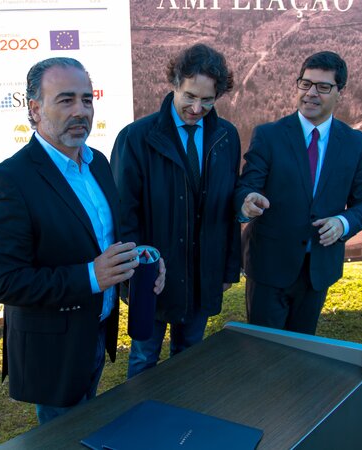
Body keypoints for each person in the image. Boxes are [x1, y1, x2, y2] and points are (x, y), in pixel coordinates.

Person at [0, 57, 165, 424]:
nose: (81, 111)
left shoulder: (98, 163)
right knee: (62, 433)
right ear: (35, 109)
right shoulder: (9, 181)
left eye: (86, 99)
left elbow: (104, 237)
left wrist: (139, 256)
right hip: (53, 349)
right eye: (66, 100)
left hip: (97, 328)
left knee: (88, 421)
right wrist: (92, 276)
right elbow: (2, 281)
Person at [111, 44, 241, 378]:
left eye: (208, 100)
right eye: (190, 96)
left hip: (202, 274)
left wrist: (227, 269)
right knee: (144, 359)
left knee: (191, 359)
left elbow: (228, 207)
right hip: (151, 275)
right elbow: (124, 214)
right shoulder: (136, 138)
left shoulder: (227, 137)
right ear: (174, 83)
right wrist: (134, 272)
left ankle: (181, 411)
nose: (197, 108)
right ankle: (140, 412)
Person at [235, 51, 362, 335]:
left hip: (318, 271)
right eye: (306, 83)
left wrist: (342, 223)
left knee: (302, 349)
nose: (311, 93)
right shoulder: (269, 135)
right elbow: (246, 186)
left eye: (323, 87)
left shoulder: (357, 144)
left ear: (340, 92)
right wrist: (247, 201)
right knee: (264, 350)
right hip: (269, 266)